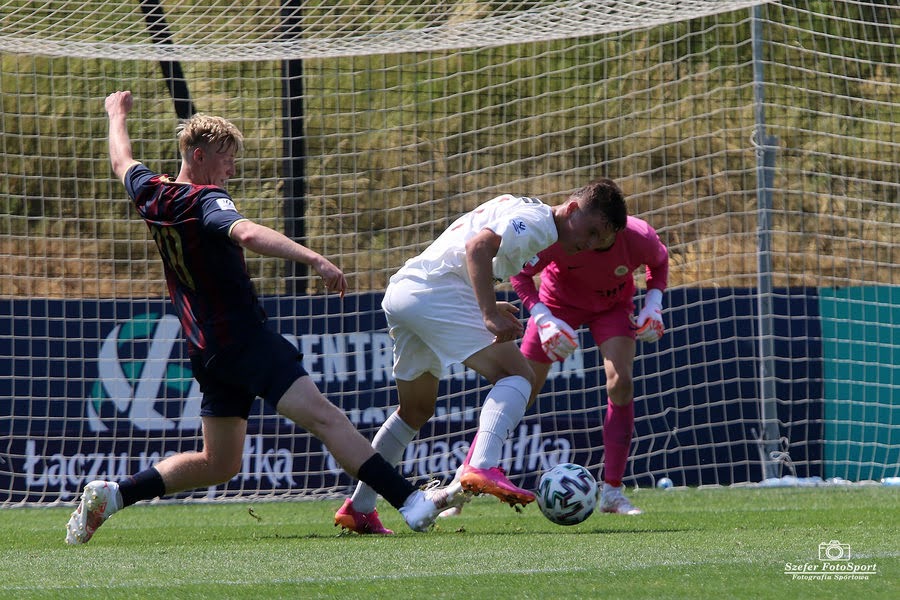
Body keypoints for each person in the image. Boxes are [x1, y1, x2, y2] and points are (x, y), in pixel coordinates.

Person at [65, 91, 463, 545]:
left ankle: (114, 494)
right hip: (243, 339)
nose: (231, 171)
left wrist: (116, 114)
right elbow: (248, 232)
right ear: (198, 156)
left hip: (207, 350)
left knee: (220, 463)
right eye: (226, 160)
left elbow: (122, 160)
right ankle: (411, 502)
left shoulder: (151, 193)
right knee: (327, 418)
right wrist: (313, 257)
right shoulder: (206, 200)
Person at [335, 179, 627, 534]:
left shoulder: (527, 212)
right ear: (573, 208)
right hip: (433, 293)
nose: (589, 244)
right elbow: (478, 247)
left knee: (415, 410)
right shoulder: (538, 222)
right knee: (517, 376)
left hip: (406, 293)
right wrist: (487, 313)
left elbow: (469, 250)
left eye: (600, 242)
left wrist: (481, 302)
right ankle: (482, 465)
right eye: (592, 231)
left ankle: (360, 508)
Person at [508, 211, 669, 515]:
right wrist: (543, 318)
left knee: (621, 384)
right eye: (588, 232)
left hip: (611, 308)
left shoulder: (639, 236)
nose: (590, 241)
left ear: (618, 228)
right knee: (518, 391)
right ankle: (464, 484)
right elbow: (520, 273)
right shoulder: (559, 234)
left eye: (600, 234)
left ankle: (612, 491)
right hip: (557, 307)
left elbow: (659, 263)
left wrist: (653, 305)